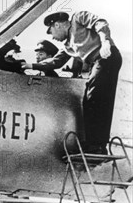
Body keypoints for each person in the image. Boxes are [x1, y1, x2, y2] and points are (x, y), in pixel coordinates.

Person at [21, 11, 122, 154]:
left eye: (52, 32)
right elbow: (56, 62)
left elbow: (100, 23)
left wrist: (105, 41)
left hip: (107, 56)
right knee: (88, 101)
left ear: (57, 25)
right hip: (97, 63)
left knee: (95, 97)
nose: (52, 37)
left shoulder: (78, 18)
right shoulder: (68, 45)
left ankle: (98, 146)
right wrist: (30, 66)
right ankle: (95, 143)